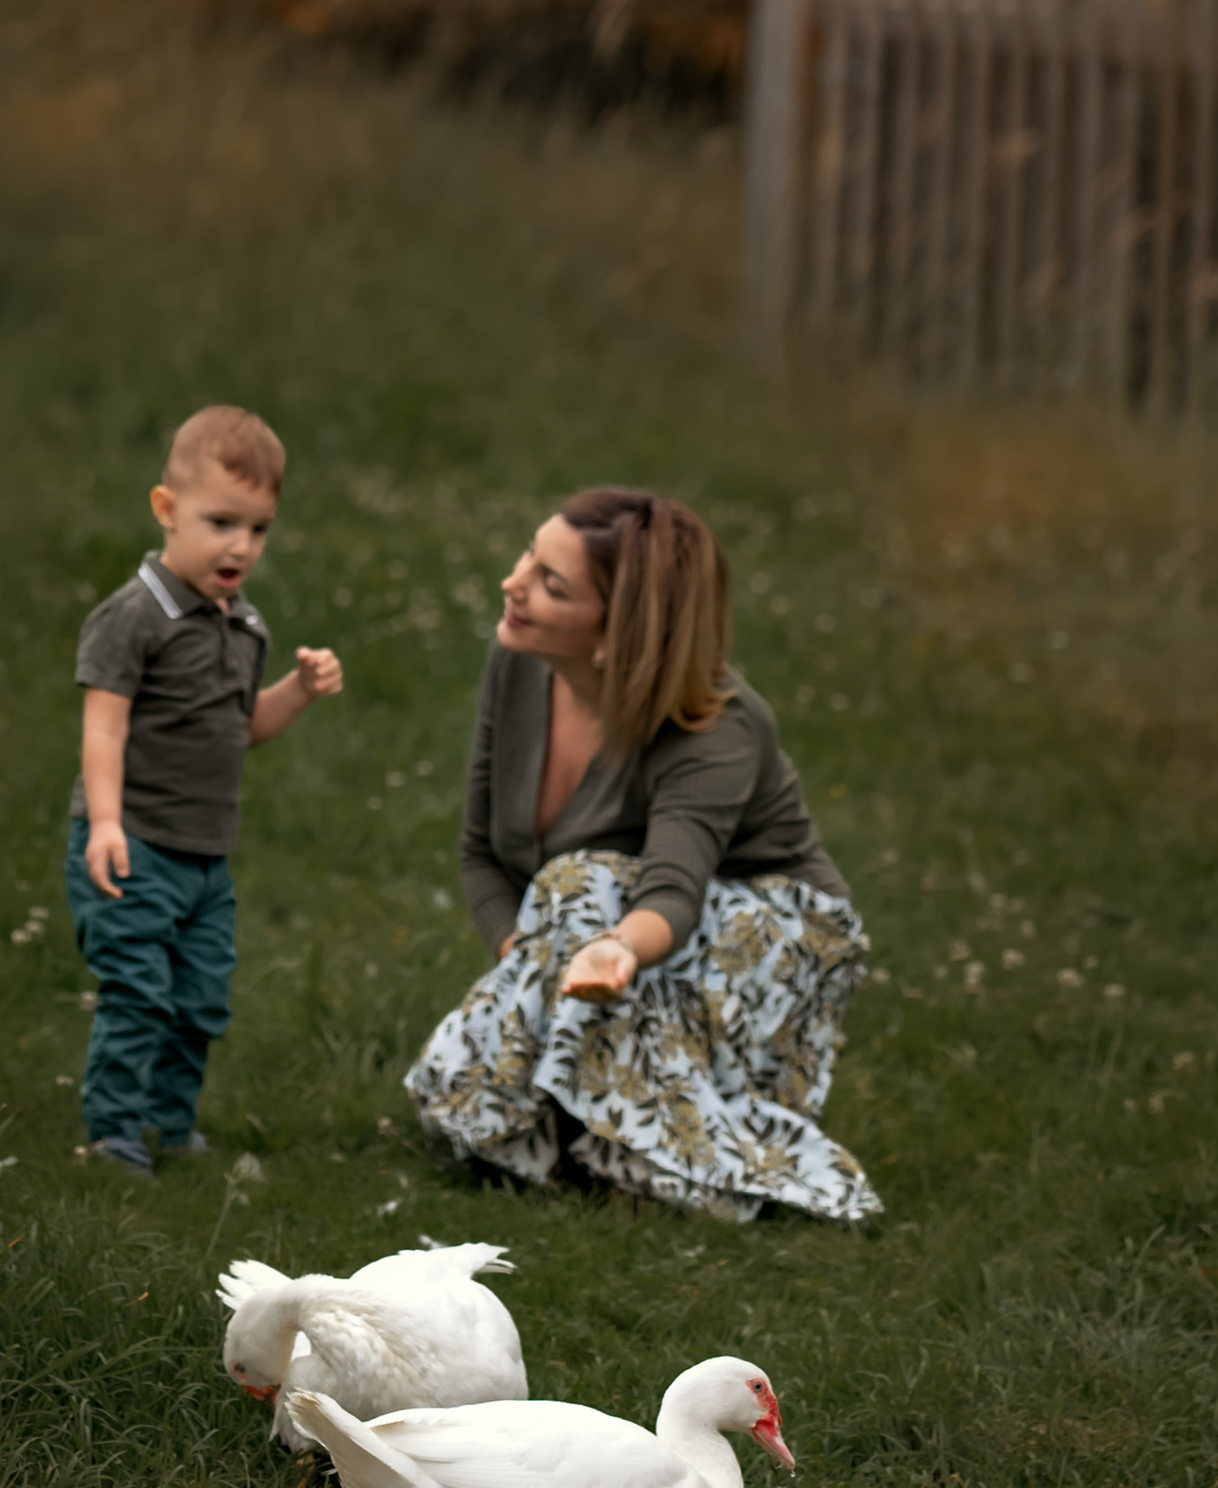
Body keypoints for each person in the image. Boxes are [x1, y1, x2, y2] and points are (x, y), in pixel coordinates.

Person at [406, 486, 878, 1223]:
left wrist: (616, 949)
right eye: (529, 555)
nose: (512, 583)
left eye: (550, 584)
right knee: (465, 1086)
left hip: (772, 935)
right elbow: (481, 853)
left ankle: (667, 1161)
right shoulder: (521, 661)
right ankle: (589, 1137)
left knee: (577, 886)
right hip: (603, 914)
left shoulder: (718, 728)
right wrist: (533, 965)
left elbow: (672, 893)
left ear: (614, 635)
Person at [66, 403, 343, 1174]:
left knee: (198, 1001)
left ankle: (170, 1123)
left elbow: (243, 727)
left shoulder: (244, 627)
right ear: (167, 508)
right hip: (134, 843)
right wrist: (106, 823)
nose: (241, 546)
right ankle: (114, 1131)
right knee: (139, 992)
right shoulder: (133, 618)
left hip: (205, 859)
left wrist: (299, 690)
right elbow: (104, 731)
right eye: (221, 522)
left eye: (258, 528)